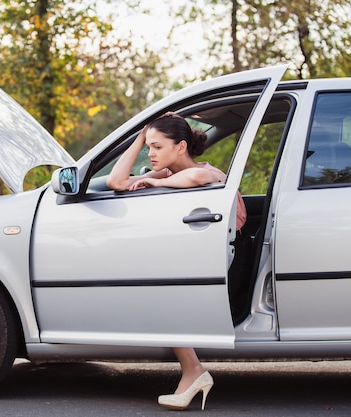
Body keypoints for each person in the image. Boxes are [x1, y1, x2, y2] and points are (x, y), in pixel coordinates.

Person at [107, 112, 247, 411]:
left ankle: (194, 372)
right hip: (205, 260)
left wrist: (155, 185)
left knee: (163, 292)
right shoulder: (167, 174)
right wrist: (140, 135)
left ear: (180, 147)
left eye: (157, 146)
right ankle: (194, 372)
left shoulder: (211, 172)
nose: (150, 153)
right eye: (149, 147)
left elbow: (196, 178)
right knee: (155, 281)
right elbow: (116, 181)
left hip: (234, 264)